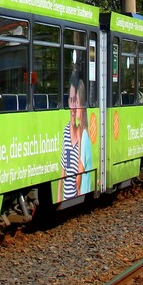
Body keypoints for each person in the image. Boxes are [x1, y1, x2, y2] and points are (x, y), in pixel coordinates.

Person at [59, 70, 93, 200]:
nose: (74, 107)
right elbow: (66, 165)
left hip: (78, 192)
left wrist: (78, 189)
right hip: (71, 193)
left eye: (77, 102)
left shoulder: (82, 134)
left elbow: (81, 169)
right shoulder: (68, 132)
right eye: (71, 101)